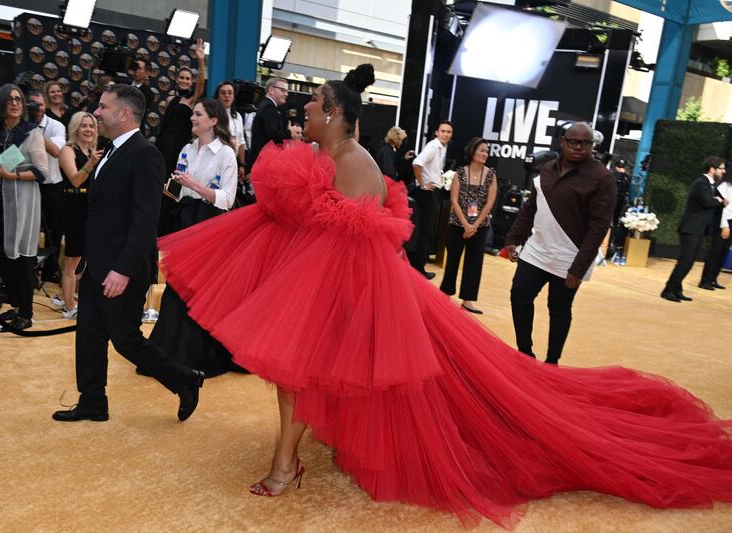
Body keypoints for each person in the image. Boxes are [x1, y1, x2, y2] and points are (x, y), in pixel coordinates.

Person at [158, 72, 732, 526]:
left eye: (309, 109)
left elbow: (354, 243)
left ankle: (286, 465)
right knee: (295, 378)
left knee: (302, 378)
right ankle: (287, 460)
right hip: (334, 290)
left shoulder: (354, 163)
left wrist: (309, 225)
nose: (301, 115)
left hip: (350, 295)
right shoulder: (333, 159)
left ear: (332, 113)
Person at [51, 84, 202, 423]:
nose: (97, 112)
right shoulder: (110, 151)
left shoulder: (145, 154)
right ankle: (92, 401)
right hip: (97, 265)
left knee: (127, 341)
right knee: (88, 335)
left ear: (124, 114)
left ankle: (186, 379)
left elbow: (145, 220)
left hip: (122, 268)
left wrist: (122, 269)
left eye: (103, 107)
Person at [504, 122, 615, 365]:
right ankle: (525, 353)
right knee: (519, 295)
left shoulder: (602, 178)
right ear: (563, 142)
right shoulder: (546, 169)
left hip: (570, 256)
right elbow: (531, 208)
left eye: (585, 143)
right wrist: (514, 239)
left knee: (559, 308)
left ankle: (552, 362)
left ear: (592, 145)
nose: (578, 147)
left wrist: (579, 267)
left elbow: (599, 227)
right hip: (537, 249)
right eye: (573, 141)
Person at [148, 99, 243, 377]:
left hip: (210, 225)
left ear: (214, 120)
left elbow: (226, 200)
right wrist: (171, 189)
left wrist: (194, 186)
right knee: (177, 286)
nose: (192, 117)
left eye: (198, 114)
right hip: (184, 220)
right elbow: (181, 189)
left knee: (200, 290)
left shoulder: (226, 154)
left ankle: (200, 355)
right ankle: (169, 353)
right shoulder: (187, 149)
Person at [0, 84, 47, 331]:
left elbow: (41, 171)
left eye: (19, 99)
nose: (15, 103)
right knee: (4, 256)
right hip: (1, 203)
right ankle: (15, 306)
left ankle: (26, 313)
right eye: (10, 99)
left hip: (24, 202)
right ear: (2, 104)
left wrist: (14, 175)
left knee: (22, 258)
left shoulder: (31, 132)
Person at [439, 137, 497, 314]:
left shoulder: (491, 175)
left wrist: (474, 226)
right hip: (458, 224)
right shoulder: (460, 173)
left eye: (487, 151)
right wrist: (465, 224)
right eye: (482, 150)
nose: (485, 154)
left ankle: (468, 300)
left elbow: (489, 203)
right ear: (472, 152)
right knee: (452, 260)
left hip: (480, 227)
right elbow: (454, 200)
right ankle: (445, 295)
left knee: (474, 263)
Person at [155, 38, 206, 234]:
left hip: (179, 148)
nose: (184, 81)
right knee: (159, 185)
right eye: (181, 78)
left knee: (173, 186)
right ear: (176, 80)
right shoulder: (171, 99)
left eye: (187, 78)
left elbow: (201, 84)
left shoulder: (192, 100)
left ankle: (170, 227)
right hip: (163, 145)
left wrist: (200, 60)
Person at [661, 156, 727, 301]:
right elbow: (707, 203)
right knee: (686, 261)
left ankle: (677, 289)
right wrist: (720, 201)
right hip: (691, 228)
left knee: (687, 261)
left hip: (696, 229)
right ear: (712, 169)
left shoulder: (709, 184)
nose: (724, 171)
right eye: (721, 168)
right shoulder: (701, 183)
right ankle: (668, 290)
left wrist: (717, 200)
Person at [57, 112, 103, 319]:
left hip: (91, 207)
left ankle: (67, 297)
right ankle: (69, 307)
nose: (88, 130)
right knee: (72, 260)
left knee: (85, 259)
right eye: (84, 126)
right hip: (74, 205)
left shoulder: (93, 150)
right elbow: (75, 180)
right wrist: (91, 163)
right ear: (75, 128)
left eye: (91, 126)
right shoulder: (68, 150)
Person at [27, 89, 66, 285]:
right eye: (33, 105)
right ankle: (30, 272)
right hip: (27, 185)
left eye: (40, 105)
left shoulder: (56, 126)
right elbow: (10, 159)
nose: (38, 109)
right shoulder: (20, 126)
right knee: (30, 231)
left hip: (52, 185)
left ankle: (50, 270)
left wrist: (33, 131)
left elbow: (56, 151)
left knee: (54, 232)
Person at [410, 120, 453, 279]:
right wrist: (422, 185)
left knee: (428, 231)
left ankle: (418, 265)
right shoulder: (434, 146)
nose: (446, 134)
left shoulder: (441, 147)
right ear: (437, 132)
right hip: (427, 193)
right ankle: (418, 268)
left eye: (448, 132)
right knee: (426, 231)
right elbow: (417, 163)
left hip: (433, 191)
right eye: (443, 131)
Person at [245, 77, 302, 175]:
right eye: (282, 90)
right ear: (271, 90)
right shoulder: (269, 107)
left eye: (287, 91)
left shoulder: (268, 105)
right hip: (263, 162)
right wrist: (290, 132)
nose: (286, 94)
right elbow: (272, 134)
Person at [700, 168, 732, 289]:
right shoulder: (724, 186)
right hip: (722, 223)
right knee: (715, 251)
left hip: (730, 222)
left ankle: (713, 279)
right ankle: (705, 281)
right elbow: (723, 208)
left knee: (723, 252)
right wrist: (725, 225)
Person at [214, 81, 246, 182]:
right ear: (217, 96)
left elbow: (241, 142)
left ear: (234, 96)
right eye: (223, 93)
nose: (227, 96)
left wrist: (241, 164)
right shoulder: (212, 115)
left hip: (232, 162)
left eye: (230, 93)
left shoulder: (238, 117)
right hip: (215, 161)